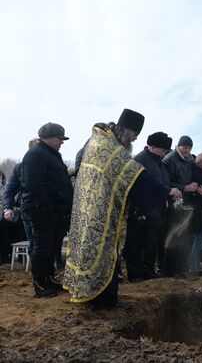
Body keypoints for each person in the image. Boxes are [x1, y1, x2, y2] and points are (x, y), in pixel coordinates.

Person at [64, 109, 182, 307]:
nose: (134, 140)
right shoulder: (113, 149)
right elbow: (136, 176)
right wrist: (165, 192)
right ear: (127, 131)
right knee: (105, 253)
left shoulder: (98, 141)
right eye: (135, 135)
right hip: (101, 213)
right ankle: (105, 300)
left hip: (90, 208)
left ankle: (94, 294)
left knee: (95, 252)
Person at [21, 123, 73, 297]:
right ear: (49, 138)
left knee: (51, 248)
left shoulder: (50, 154)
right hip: (41, 211)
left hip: (54, 211)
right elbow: (34, 187)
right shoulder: (36, 155)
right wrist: (49, 211)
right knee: (42, 248)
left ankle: (48, 278)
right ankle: (40, 284)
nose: (62, 142)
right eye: (60, 138)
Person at [124, 132, 173, 282]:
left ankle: (148, 271)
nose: (164, 154)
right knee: (136, 244)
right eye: (162, 150)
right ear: (152, 146)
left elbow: (164, 183)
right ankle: (135, 274)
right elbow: (144, 185)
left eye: (165, 151)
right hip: (141, 211)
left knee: (150, 243)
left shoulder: (159, 161)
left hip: (156, 210)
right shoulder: (140, 160)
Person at [162, 135, 198, 277]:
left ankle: (181, 269)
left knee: (184, 237)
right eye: (184, 147)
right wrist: (185, 187)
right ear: (178, 146)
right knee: (172, 237)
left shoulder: (190, 160)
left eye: (189, 148)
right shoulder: (169, 159)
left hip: (185, 204)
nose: (187, 151)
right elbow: (166, 182)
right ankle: (168, 271)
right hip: (173, 204)